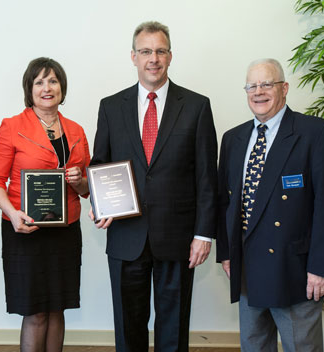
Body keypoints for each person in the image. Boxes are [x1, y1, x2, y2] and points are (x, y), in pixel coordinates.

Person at [90, 21, 218, 352]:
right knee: (127, 328)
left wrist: (203, 234)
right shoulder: (111, 106)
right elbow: (100, 164)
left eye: (160, 51)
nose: (153, 58)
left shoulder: (196, 106)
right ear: (133, 56)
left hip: (177, 237)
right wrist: (100, 203)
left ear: (170, 56)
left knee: (174, 329)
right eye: (146, 51)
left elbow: (207, 176)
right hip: (125, 234)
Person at [216, 58, 324, 351]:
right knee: (254, 346)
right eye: (252, 85)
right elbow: (226, 201)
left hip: (296, 272)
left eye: (267, 84)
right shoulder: (233, 139)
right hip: (248, 270)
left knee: (302, 347)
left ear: (284, 88)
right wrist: (227, 253)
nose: (258, 92)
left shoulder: (316, 134)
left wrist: (321, 268)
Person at [0, 57, 90, 352]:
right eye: (39, 82)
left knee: (58, 308)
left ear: (62, 87)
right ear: (29, 89)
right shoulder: (11, 127)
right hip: (25, 229)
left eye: (53, 81)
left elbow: (86, 188)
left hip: (65, 231)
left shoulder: (77, 130)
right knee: (36, 312)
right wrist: (12, 213)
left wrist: (79, 179)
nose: (47, 88)